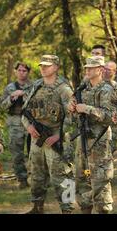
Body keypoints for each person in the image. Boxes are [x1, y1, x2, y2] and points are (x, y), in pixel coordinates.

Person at [22, 55, 74, 214]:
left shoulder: (64, 89)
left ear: (56, 67)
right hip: (37, 138)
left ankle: (68, 209)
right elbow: (24, 112)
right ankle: (37, 207)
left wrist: (58, 135)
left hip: (55, 140)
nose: (43, 68)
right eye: (41, 66)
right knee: (36, 175)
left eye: (47, 65)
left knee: (63, 177)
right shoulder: (36, 86)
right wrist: (29, 126)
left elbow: (73, 117)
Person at [68, 56, 115, 214]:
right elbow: (74, 116)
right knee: (81, 178)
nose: (87, 70)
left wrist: (87, 109)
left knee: (100, 179)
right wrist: (72, 108)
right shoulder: (82, 89)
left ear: (100, 70)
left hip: (99, 140)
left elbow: (110, 116)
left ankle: (103, 210)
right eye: (86, 67)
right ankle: (85, 209)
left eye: (91, 68)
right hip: (82, 139)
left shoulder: (107, 90)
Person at [1, 62, 32, 188]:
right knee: (16, 153)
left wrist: (25, 95)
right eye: (19, 70)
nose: (22, 72)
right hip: (15, 123)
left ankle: (35, 178)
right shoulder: (9, 88)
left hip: (31, 122)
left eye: (24, 70)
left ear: (28, 72)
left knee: (34, 152)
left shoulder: (34, 86)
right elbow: (2, 106)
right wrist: (12, 97)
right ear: (15, 71)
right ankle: (22, 179)